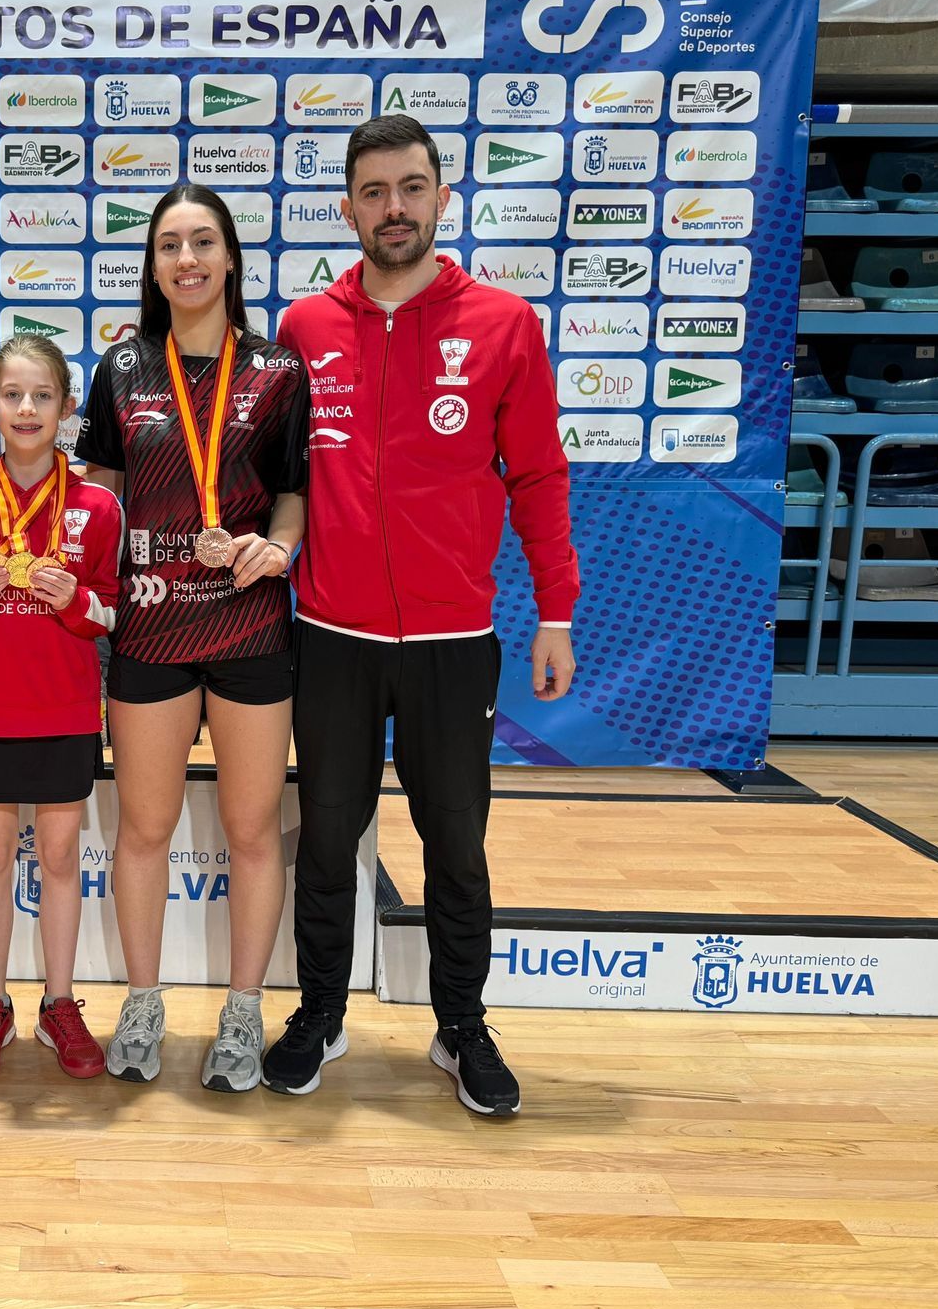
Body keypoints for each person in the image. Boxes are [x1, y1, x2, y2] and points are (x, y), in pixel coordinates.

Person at [266, 113, 579, 1113]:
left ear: (442, 198)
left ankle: (461, 1026)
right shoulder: (304, 329)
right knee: (326, 839)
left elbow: (538, 476)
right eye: (373, 192)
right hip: (332, 636)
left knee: (456, 842)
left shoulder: (503, 324)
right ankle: (319, 1013)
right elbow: (275, 478)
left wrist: (558, 612)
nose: (392, 208)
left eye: (410, 188)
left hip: (453, 640)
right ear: (348, 208)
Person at [76, 183, 308, 1092]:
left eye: (203, 241)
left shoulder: (277, 371)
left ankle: (244, 1011)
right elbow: (95, 495)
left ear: (231, 258)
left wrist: (278, 547)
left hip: (249, 625)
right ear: (153, 266)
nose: (187, 260)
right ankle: (142, 1002)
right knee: (144, 829)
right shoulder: (123, 368)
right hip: (151, 628)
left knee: (252, 831)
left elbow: (291, 494)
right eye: (169, 245)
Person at [0, 335, 122, 1081]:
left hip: (66, 710)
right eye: (12, 395)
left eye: (42, 395)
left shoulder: (97, 505)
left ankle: (59, 1001)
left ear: (67, 408)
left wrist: (76, 600)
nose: (26, 408)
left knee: (59, 858)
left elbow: (114, 615)